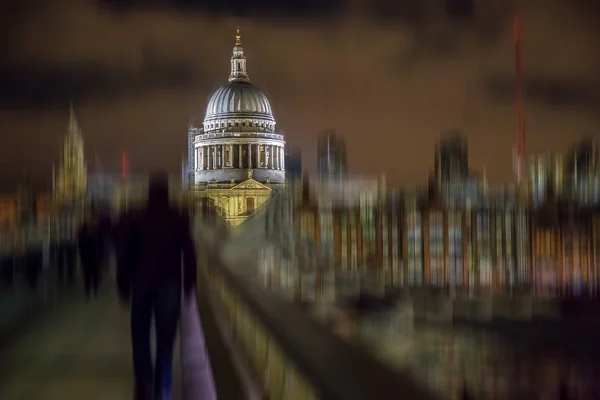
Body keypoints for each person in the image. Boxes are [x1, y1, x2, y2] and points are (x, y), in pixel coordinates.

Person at [116, 171, 197, 400]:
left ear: (149, 193)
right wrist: (190, 283)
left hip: (141, 283)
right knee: (166, 338)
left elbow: (124, 254)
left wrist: (123, 284)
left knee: (140, 336)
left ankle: (143, 383)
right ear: (168, 193)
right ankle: (163, 386)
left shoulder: (135, 217)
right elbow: (190, 252)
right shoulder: (179, 217)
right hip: (169, 285)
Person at [78, 210, 102, 298]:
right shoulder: (83, 230)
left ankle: (94, 289)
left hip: (93, 255)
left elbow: (99, 243)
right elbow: (81, 244)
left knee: (94, 273)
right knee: (88, 274)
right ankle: (88, 290)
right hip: (87, 255)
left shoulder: (96, 229)